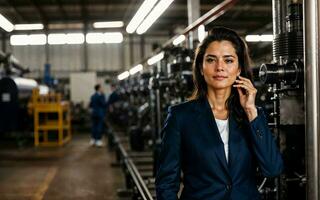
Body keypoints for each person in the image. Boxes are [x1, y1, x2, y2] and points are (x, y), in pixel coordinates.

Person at [155, 27, 283, 200]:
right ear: (201, 67)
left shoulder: (252, 115)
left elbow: (273, 169)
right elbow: (166, 184)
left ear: (239, 69)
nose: (220, 67)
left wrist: (251, 111)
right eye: (211, 60)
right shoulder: (181, 117)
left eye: (228, 60)